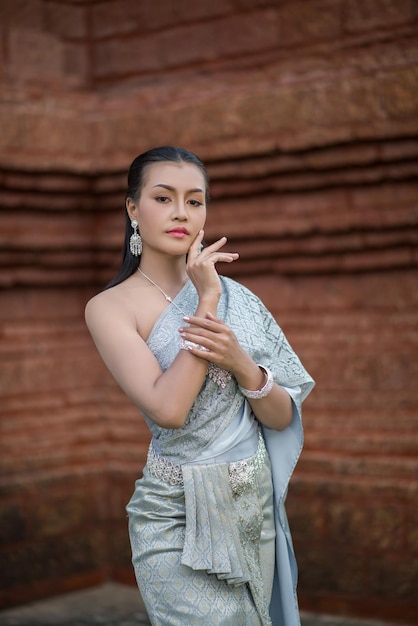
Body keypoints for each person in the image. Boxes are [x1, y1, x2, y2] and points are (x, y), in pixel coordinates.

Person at [85, 146, 314, 626]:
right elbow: (169, 409)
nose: (180, 214)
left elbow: (282, 415)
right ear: (132, 208)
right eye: (164, 198)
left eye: (195, 201)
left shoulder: (241, 299)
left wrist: (241, 365)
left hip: (251, 513)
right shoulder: (110, 308)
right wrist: (206, 299)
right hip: (175, 519)